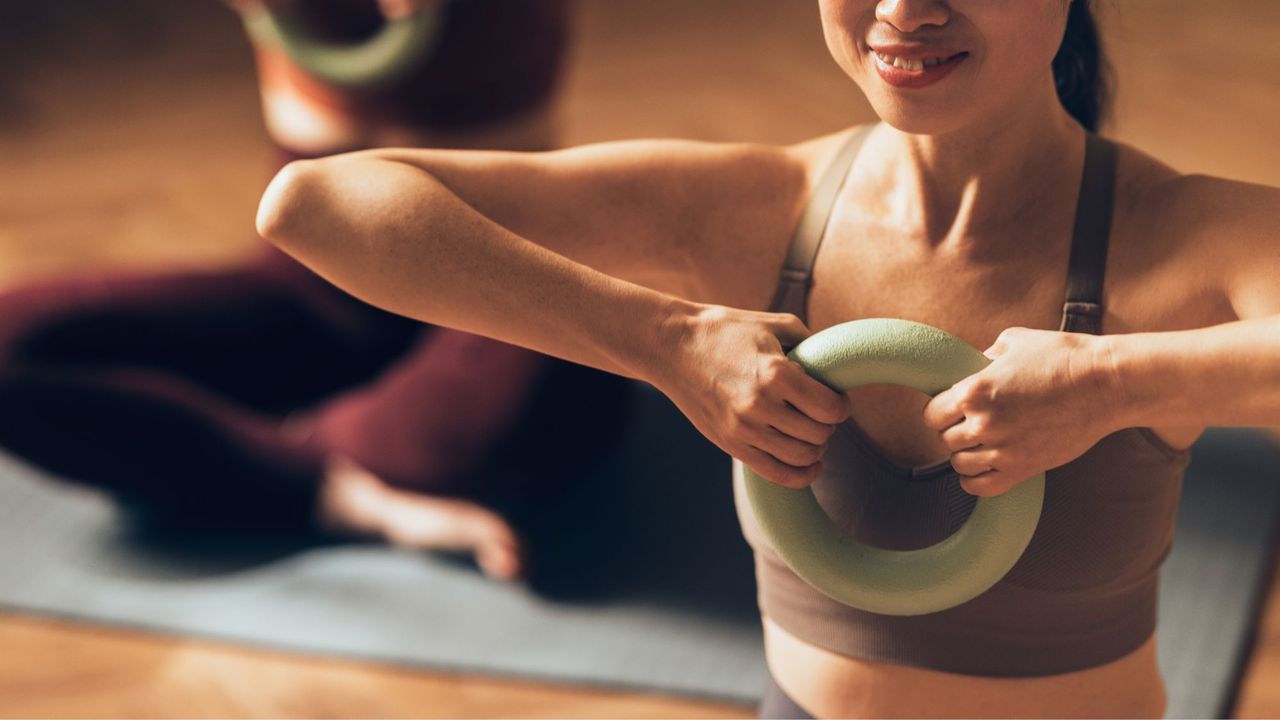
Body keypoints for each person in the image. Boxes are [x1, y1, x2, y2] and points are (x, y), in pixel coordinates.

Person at [254, 0, 1280, 716]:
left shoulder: (1169, 236)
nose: (902, 10)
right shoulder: (757, 212)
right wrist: (669, 341)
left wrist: (1114, 381)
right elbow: (316, 206)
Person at [0, 0, 634, 583]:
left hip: (493, 280)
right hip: (314, 287)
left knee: (560, 399)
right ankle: (325, 484)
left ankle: (260, 445)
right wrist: (314, 486)